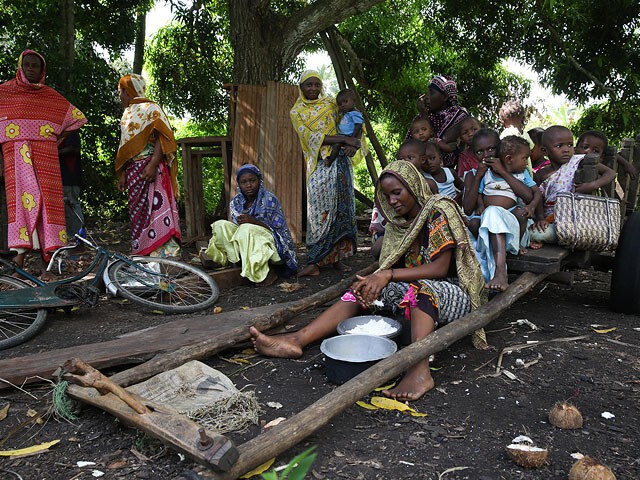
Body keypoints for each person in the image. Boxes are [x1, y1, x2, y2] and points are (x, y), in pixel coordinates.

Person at [250, 160, 486, 401]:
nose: (393, 201)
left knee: (420, 290)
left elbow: (439, 268)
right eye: (387, 195)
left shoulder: (438, 210)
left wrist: (387, 275)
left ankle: (419, 370)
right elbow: (390, 265)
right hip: (415, 289)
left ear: (414, 186)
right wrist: (375, 281)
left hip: (454, 292)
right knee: (364, 288)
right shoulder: (397, 223)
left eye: (397, 192)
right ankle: (297, 339)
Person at [0, 50, 86, 275]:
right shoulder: (4, 93)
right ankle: (18, 262)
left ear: (42, 70)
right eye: (27, 64)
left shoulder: (51, 97)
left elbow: (76, 119)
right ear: (20, 66)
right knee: (20, 205)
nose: (30, 68)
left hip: (46, 157)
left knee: (49, 206)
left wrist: (55, 138)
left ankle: (49, 264)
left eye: (35, 66)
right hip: (15, 159)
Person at [290, 70, 361, 277]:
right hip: (319, 165)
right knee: (319, 214)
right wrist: (343, 139)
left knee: (342, 208)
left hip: (340, 162)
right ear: (301, 87)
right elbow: (310, 138)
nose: (313, 89)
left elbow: (350, 120)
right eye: (308, 85)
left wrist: (352, 142)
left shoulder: (331, 103)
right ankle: (315, 261)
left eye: (316, 84)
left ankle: (338, 259)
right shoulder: (297, 112)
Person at [464, 132, 541, 291]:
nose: (486, 155)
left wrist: (504, 172)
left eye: (491, 149)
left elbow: (528, 196)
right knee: (476, 221)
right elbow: (468, 208)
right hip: (489, 222)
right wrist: (478, 177)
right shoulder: (477, 174)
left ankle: (500, 272)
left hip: (511, 222)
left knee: (501, 212)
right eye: (480, 152)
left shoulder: (518, 171)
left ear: (500, 150)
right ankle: (492, 270)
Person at [116, 73, 181, 257]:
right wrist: (122, 174)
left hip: (151, 170)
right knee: (139, 217)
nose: (119, 96)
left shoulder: (151, 108)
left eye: (120, 91)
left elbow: (163, 137)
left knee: (157, 211)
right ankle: (143, 258)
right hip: (134, 171)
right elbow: (125, 148)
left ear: (129, 92)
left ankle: (164, 259)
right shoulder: (127, 114)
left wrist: (153, 164)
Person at [201, 164, 298, 285]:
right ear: (239, 184)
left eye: (252, 180)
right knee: (220, 225)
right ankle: (237, 261)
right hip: (245, 239)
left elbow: (279, 231)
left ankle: (264, 272)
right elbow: (236, 228)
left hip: (271, 243)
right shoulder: (236, 202)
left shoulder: (269, 199)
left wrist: (254, 221)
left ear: (259, 181)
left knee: (246, 229)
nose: (248, 185)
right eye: (244, 182)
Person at [531, 126, 616, 244]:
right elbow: (538, 197)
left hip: (573, 219)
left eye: (570, 145)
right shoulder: (541, 174)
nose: (566, 150)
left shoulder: (578, 160)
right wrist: (540, 219)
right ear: (545, 151)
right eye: (559, 146)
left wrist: (592, 185)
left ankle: (557, 236)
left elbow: (610, 173)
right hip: (549, 218)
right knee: (530, 228)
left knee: (537, 235)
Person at [369, 140, 438, 259]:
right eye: (401, 159)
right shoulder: (396, 215)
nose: (392, 201)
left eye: (410, 158)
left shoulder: (430, 187)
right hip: (401, 228)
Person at [409, 75, 469, 169]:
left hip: (446, 171)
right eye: (427, 93)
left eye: (431, 93)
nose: (426, 97)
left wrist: (424, 115)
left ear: (444, 97)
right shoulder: (422, 117)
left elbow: (438, 142)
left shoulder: (460, 115)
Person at [57, 130, 85, 241]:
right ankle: (70, 238)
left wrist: (52, 151)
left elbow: (74, 148)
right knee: (65, 209)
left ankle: (79, 239)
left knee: (72, 206)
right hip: (60, 177)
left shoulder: (70, 129)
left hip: (70, 176)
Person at [326, 89, 363, 166]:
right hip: (343, 137)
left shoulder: (355, 113)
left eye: (345, 102)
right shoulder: (345, 114)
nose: (343, 105)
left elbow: (359, 125)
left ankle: (330, 161)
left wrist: (352, 138)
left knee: (337, 146)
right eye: (340, 104)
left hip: (349, 136)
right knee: (336, 146)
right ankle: (330, 160)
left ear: (353, 102)